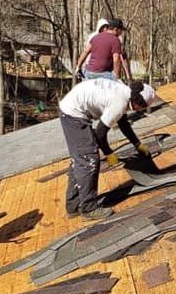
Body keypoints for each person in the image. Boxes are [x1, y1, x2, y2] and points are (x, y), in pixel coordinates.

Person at [59, 78, 155, 221]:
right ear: (137, 102)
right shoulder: (119, 102)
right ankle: (89, 208)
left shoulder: (124, 92)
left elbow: (123, 123)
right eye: (142, 107)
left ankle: (73, 205)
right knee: (88, 160)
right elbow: (100, 134)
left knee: (80, 159)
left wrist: (137, 144)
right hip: (74, 115)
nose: (140, 110)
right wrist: (109, 153)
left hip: (70, 110)